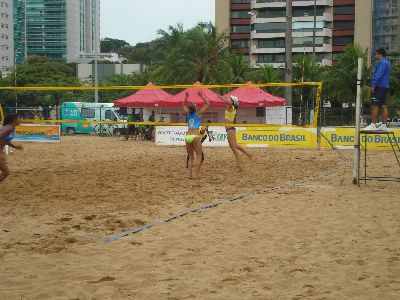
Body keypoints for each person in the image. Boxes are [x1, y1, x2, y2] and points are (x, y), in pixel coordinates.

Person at [218, 94, 252, 171]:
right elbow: (228, 100)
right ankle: (249, 154)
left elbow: (229, 102)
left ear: (232, 102)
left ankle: (239, 166)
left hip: (230, 129)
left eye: (230, 99)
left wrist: (220, 97)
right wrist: (223, 97)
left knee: (233, 148)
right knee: (235, 145)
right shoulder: (231, 107)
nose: (228, 100)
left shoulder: (231, 107)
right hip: (230, 129)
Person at [182, 91, 209, 179]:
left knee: (190, 157)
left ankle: (189, 175)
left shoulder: (188, 114)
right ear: (195, 109)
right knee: (199, 156)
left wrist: (186, 97)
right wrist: (201, 95)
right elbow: (208, 103)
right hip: (195, 136)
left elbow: (183, 105)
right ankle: (196, 175)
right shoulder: (198, 113)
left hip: (187, 136)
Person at [364, 48, 391, 131]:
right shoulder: (386, 62)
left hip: (379, 86)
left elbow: (378, 75)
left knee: (374, 105)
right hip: (384, 86)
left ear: (380, 54)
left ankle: (372, 125)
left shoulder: (383, 62)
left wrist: (373, 85)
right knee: (383, 105)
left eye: (376, 54)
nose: (375, 56)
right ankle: (383, 125)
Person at [0, 115, 23, 183]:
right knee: (6, 172)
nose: (20, 119)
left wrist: (15, 146)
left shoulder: (11, 128)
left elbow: (5, 140)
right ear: (14, 120)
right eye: (18, 118)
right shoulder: (9, 127)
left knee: (5, 171)